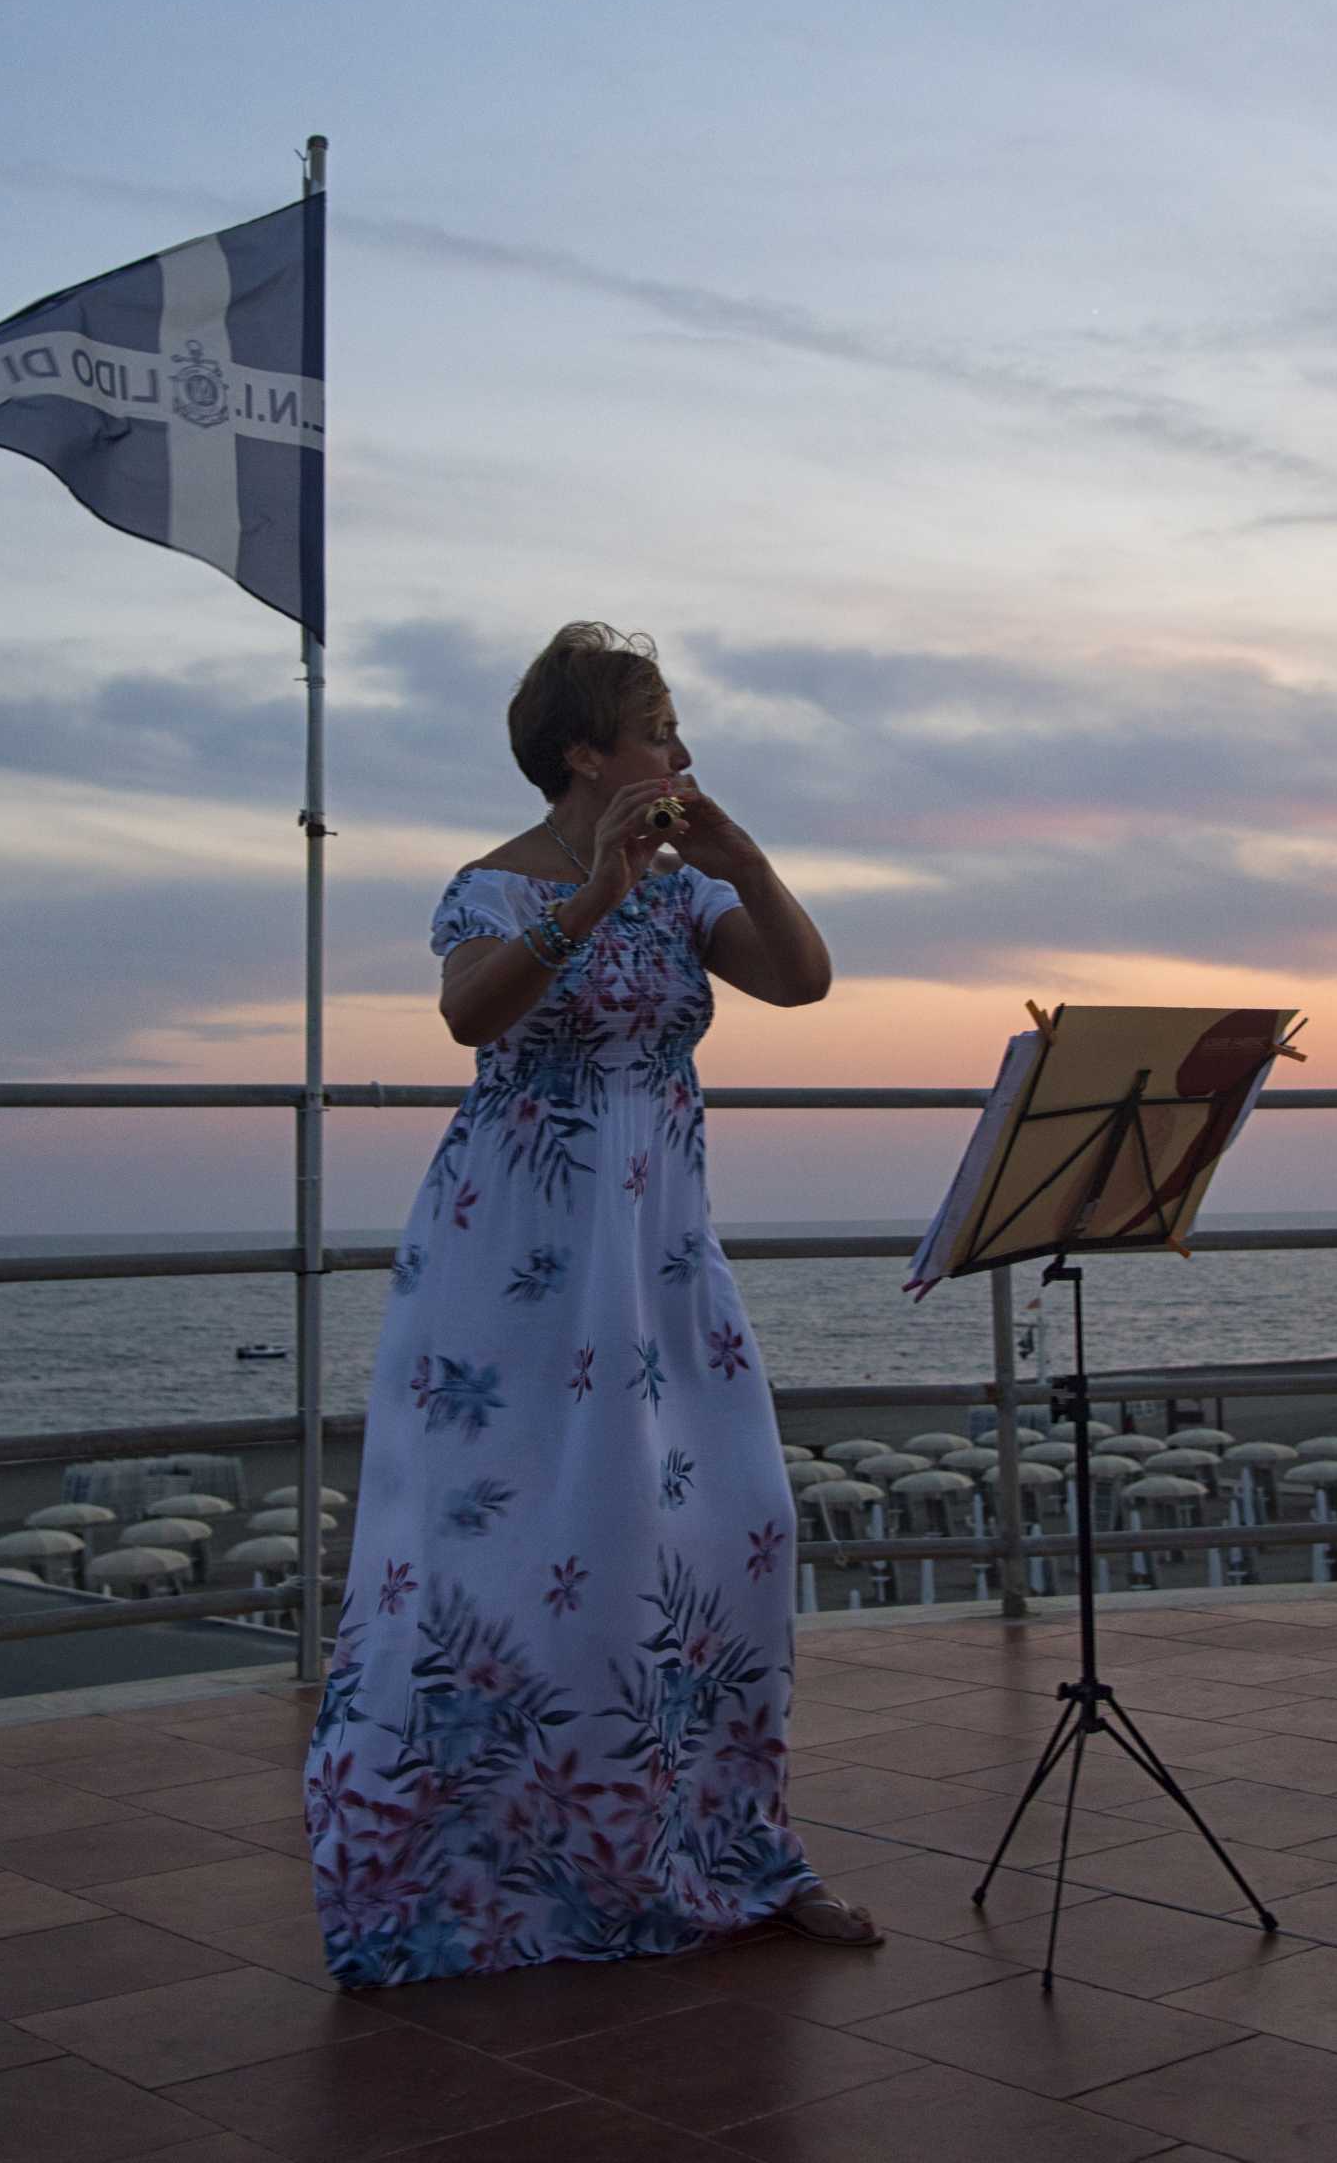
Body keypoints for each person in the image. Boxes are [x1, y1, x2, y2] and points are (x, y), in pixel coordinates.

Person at [305, 622, 882, 1989]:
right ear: (583, 751)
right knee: (511, 1551)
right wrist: (594, 893)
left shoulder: (689, 898)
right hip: (513, 1257)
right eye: (656, 729)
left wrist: (738, 864)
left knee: (735, 1521)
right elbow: (472, 1018)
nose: (679, 754)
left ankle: (729, 1845)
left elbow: (802, 979)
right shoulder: (489, 890)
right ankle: (478, 1866)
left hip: (660, 1248)